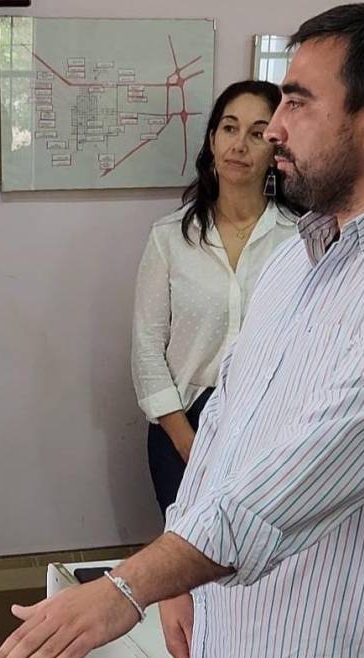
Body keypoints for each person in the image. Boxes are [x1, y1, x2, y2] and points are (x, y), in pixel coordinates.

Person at [0, 3, 364, 658]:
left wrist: (129, 585)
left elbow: (312, 468)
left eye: (297, 101)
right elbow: (228, 423)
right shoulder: (300, 257)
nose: (275, 129)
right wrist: (177, 578)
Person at [132, 80, 299, 517]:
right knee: (185, 549)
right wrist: (187, 442)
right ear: (211, 140)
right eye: (229, 128)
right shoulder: (170, 238)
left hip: (271, 427)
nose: (239, 145)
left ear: (276, 148)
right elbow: (147, 349)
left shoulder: (301, 240)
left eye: (257, 133)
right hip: (183, 423)